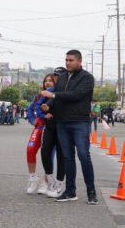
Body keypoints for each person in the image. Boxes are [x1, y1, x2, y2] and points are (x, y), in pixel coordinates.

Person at [41, 50, 97, 205]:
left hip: (80, 122)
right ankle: (70, 191)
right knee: (67, 158)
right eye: (66, 60)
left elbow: (76, 95)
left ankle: (91, 192)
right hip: (62, 123)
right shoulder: (63, 77)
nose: (68, 62)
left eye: (71, 60)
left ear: (79, 61)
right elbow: (57, 96)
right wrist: (48, 106)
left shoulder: (87, 78)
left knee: (84, 156)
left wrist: (53, 96)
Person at [25, 74, 56, 195]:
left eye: (51, 81)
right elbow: (30, 108)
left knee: (48, 156)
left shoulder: (56, 95)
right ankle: (33, 178)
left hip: (52, 128)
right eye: (46, 81)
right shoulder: (39, 95)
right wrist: (33, 120)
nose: (47, 83)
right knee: (30, 149)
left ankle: (46, 182)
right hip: (39, 126)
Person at [40, 69, 66, 198]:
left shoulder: (67, 89)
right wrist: (45, 110)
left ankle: (60, 183)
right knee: (45, 153)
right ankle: (50, 181)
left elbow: (57, 100)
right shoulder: (50, 91)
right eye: (55, 76)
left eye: (59, 76)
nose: (56, 78)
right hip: (50, 127)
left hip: (63, 127)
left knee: (62, 156)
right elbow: (47, 102)